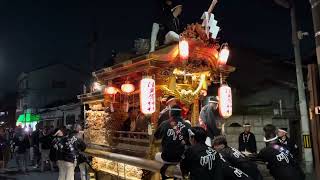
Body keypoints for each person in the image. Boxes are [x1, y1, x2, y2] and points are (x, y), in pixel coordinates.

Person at [154, 105, 191, 179]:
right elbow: (190, 141)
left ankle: (163, 175)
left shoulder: (164, 124)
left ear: (170, 113)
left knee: (156, 155)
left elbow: (156, 136)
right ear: (180, 114)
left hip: (167, 158)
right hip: (181, 158)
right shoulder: (187, 125)